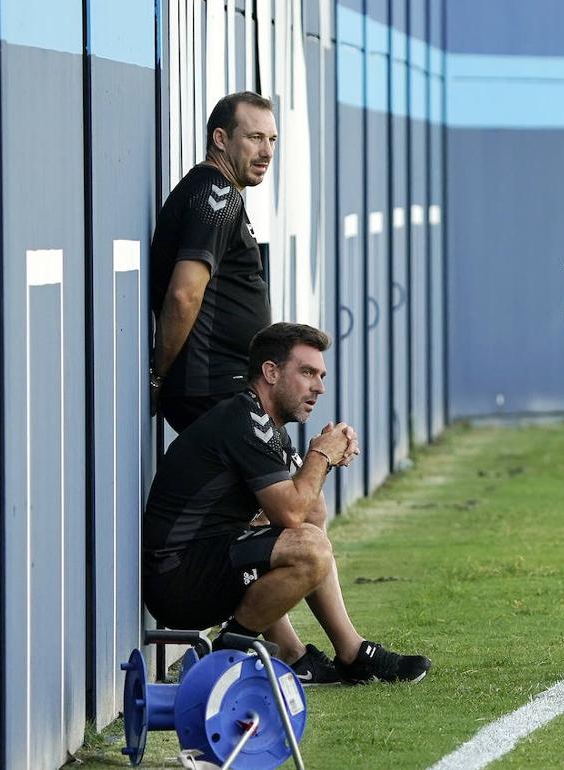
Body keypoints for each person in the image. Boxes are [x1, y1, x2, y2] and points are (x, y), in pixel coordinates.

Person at [142, 322, 431, 685]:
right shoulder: (244, 422)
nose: (319, 387)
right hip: (179, 579)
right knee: (309, 549)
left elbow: (311, 512)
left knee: (306, 534)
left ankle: (328, 655)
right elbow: (290, 511)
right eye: (307, 372)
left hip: (207, 559)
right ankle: (228, 653)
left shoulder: (266, 426)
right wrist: (321, 456)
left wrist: (323, 458)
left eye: (321, 375)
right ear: (270, 372)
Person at [149, 91, 276, 433]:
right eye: (254, 138)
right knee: (277, 487)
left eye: (271, 139)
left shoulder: (221, 193)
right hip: (212, 389)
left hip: (223, 387)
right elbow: (183, 295)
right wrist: (159, 375)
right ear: (220, 139)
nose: (266, 151)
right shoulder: (216, 198)